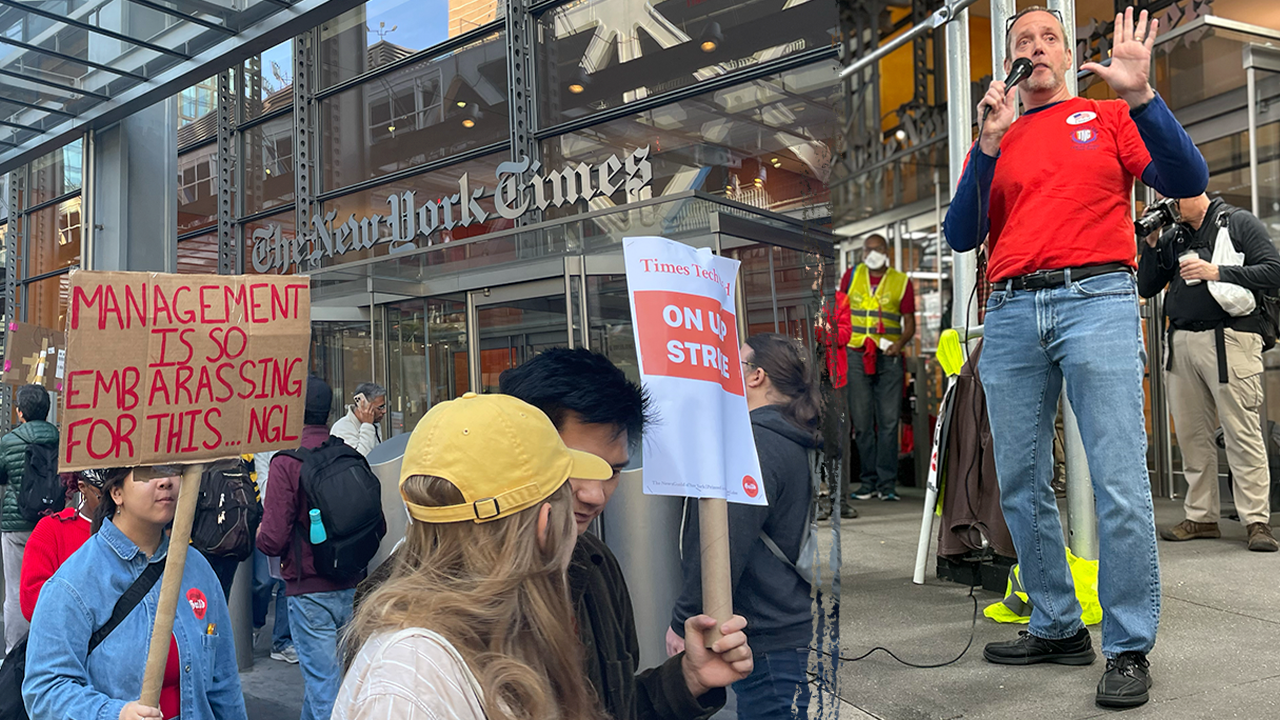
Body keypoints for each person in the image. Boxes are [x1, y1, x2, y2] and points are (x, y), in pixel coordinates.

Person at [942, 6, 1209, 709]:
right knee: (1021, 483)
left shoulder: (1109, 118)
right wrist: (986, 147)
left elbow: (1187, 179)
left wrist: (1143, 98)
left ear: (1066, 55)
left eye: (1047, 38)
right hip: (1010, 309)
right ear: (1008, 61)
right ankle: (1058, 623)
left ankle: (1126, 645)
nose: (1034, 48)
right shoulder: (995, 138)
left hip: (1097, 299)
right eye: (1022, 40)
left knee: (1119, 478)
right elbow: (961, 233)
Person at [497, 348, 755, 719]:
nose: (595, 494)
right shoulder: (436, 592)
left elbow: (615, 707)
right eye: (576, 465)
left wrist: (688, 679)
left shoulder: (595, 564)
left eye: (613, 471)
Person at [334, 392, 612, 720]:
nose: (594, 496)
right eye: (567, 494)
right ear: (545, 525)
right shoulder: (412, 682)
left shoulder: (477, 643)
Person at [668, 334, 820, 720]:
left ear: (756, 377)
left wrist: (684, 620)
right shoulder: (798, 439)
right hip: (790, 620)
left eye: (734, 366)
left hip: (760, 636)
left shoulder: (752, 443)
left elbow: (721, 539)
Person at [22, 465, 246, 720]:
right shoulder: (74, 583)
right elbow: (45, 691)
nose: (165, 481)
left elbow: (224, 682)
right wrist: (115, 714)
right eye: (148, 472)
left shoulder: (198, 570)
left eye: (172, 469)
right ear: (117, 492)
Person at [1137, 192, 1280, 552]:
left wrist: (1216, 271)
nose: (1169, 208)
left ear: (1196, 193)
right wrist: (1153, 244)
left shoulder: (1237, 221)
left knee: (1241, 432)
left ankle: (1257, 521)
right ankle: (1201, 517)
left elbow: (1274, 270)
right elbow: (1147, 286)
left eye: (1175, 200)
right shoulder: (1176, 234)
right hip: (1182, 339)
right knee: (1191, 435)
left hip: (1230, 337)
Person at [258, 375, 377, 720]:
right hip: (352, 582)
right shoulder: (348, 454)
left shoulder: (287, 462)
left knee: (326, 687)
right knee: (334, 681)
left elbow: (274, 539)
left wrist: (258, 534)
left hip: (308, 590)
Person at [840, 234, 915, 502]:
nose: (872, 253)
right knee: (861, 422)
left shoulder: (901, 282)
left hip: (889, 357)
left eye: (877, 249)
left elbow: (910, 324)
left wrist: (899, 343)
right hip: (857, 355)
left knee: (888, 422)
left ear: (887, 252)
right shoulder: (850, 276)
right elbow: (841, 312)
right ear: (862, 253)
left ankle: (886, 485)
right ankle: (867, 482)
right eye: (867, 249)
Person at [0, 382, 60, 653]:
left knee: (15, 590)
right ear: (47, 411)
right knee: (54, 585)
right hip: (54, 521)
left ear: (20, 412)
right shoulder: (61, 438)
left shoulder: (9, 441)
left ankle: (15, 651)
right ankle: (50, 646)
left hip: (17, 524)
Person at [19, 470, 105, 622]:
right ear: (82, 487)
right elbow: (33, 603)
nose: (115, 502)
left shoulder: (140, 531)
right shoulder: (52, 529)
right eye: (103, 496)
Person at [251, 450, 296, 663]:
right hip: (267, 517)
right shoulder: (265, 449)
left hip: (293, 518)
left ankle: (282, 640)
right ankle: (254, 623)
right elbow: (266, 488)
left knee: (287, 580)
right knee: (263, 581)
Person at [330, 382, 386, 456]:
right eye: (380, 407)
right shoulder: (342, 428)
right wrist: (367, 425)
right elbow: (362, 459)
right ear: (363, 405)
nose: (384, 411)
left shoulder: (374, 425)